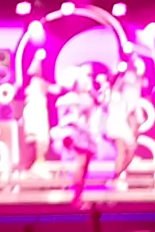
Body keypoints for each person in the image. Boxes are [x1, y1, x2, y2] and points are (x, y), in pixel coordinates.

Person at [54, 68, 99, 207]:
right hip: (74, 134)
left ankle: (77, 194)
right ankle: (76, 196)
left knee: (82, 165)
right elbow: (74, 118)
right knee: (81, 164)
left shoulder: (69, 99)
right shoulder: (74, 99)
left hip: (74, 134)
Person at [105, 60, 146, 190]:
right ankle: (116, 179)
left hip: (123, 126)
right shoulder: (112, 95)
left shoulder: (124, 97)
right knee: (121, 152)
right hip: (115, 126)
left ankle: (116, 176)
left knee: (131, 153)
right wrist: (120, 76)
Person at [22, 49, 60, 177]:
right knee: (38, 137)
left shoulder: (36, 84)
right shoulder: (36, 83)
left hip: (37, 110)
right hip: (35, 111)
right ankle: (37, 163)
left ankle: (38, 163)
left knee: (40, 137)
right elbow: (55, 89)